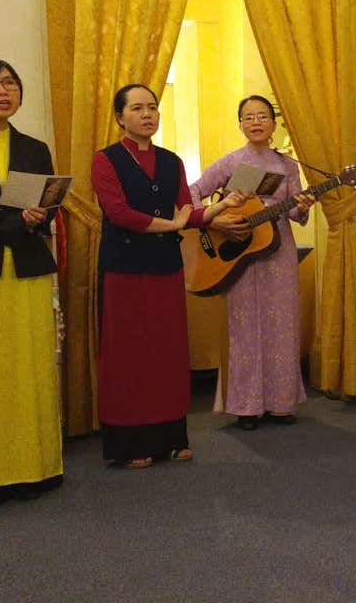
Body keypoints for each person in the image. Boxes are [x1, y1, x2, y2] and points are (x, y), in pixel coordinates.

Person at [92, 84, 243, 468]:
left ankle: (171, 438)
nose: (148, 114)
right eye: (138, 108)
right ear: (120, 117)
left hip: (164, 266)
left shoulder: (171, 160)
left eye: (153, 107)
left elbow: (186, 212)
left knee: (168, 350)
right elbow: (119, 214)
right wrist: (171, 224)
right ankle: (130, 443)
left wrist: (219, 207)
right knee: (128, 354)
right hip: (124, 268)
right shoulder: (105, 160)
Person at [189, 95, 314, 431]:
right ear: (240, 124)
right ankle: (246, 406)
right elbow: (192, 192)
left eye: (262, 115)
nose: (256, 122)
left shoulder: (288, 165)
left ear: (273, 123)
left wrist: (302, 206)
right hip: (238, 256)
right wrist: (214, 220)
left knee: (282, 325)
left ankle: (280, 404)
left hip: (279, 251)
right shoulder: (229, 163)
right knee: (244, 328)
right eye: (248, 117)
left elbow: (293, 212)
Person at [0, 59, 63, 505]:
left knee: (32, 366)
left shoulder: (34, 148)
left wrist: (40, 214)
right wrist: (15, 222)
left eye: (10, 84)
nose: (4, 91)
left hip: (27, 267)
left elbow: (49, 202)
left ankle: (36, 469)